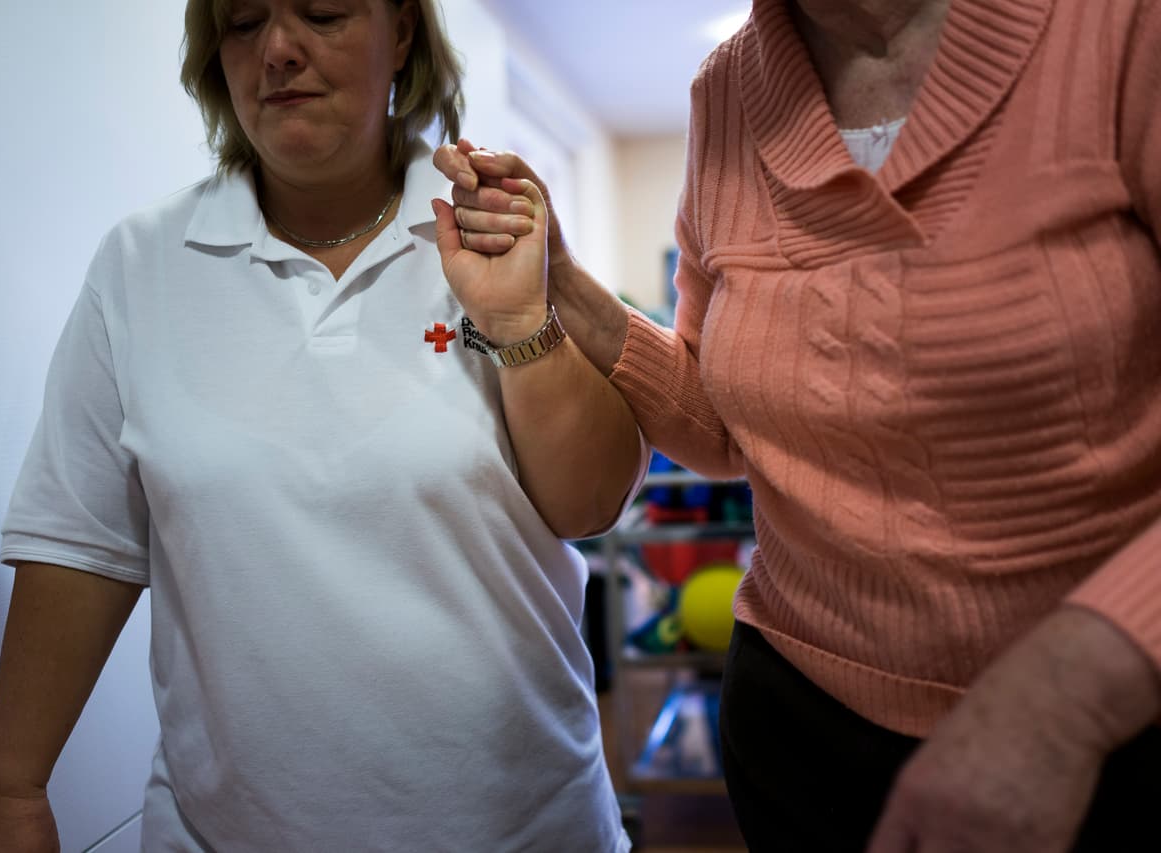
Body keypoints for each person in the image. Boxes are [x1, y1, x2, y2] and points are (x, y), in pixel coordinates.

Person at [434, 0, 1161, 850]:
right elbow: (722, 424)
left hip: (1112, 718)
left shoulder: (1120, 26)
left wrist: (1073, 694)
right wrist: (561, 279)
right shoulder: (728, 91)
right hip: (797, 722)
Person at [0, 1, 644, 850]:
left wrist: (520, 327)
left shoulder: (486, 224)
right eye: (244, 23)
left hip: (526, 828)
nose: (278, 51)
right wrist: (10, 786)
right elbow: (80, 544)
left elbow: (591, 503)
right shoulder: (140, 266)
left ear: (401, 33)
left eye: (322, 12)